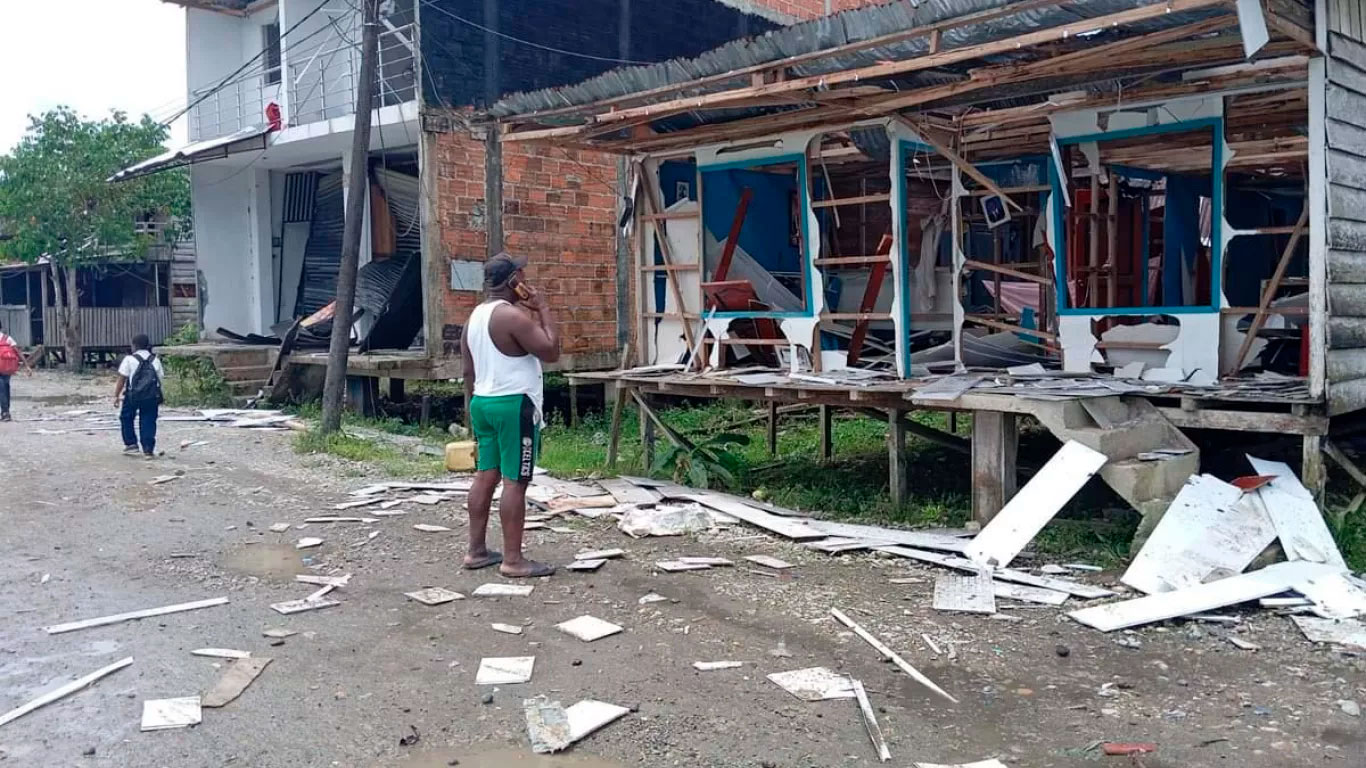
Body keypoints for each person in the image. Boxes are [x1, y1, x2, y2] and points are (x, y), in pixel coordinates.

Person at [461, 251, 561, 578]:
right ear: (513, 281)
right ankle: (513, 560)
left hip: (482, 402)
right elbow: (550, 350)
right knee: (515, 482)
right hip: (513, 405)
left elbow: (467, 371)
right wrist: (543, 308)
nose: (526, 281)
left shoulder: (474, 317)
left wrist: (473, 412)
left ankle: (476, 551)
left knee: (485, 475)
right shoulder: (511, 317)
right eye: (522, 275)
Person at [114, 334, 164, 458]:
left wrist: (116, 395)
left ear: (134, 345)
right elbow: (160, 378)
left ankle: (131, 444)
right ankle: (148, 449)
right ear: (148, 345)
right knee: (148, 420)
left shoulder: (129, 359)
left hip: (133, 395)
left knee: (126, 417)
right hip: (151, 396)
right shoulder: (155, 359)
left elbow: (122, 379)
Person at [0, 320, 33, 422]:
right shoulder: (7, 338)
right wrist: (27, 366)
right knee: (5, 388)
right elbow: (18, 352)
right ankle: (6, 412)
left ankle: (5, 412)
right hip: (6, 368)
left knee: (2, 389)